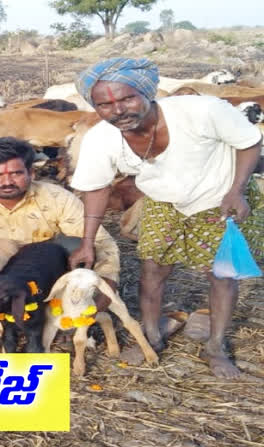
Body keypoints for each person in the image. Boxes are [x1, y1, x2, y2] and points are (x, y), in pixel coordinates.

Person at [68, 58, 263, 378]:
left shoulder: (201, 111)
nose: (118, 110)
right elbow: (96, 188)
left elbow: (249, 142)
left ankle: (215, 346)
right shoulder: (101, 138)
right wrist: (87, 242)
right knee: (152, 269)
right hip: (163, 200)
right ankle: (152, 336)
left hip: (220, 195)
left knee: (221, 275)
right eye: (105, 104)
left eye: (127, 98)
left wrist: (237, 190)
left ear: (147, 92)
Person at [0, 137, 121, 300]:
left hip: (44, 268)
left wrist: (106, 288)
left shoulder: (57, 197)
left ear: (32, 172)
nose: (7, 182)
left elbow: (102, 242)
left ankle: (61, 298)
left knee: (77, 245)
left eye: (16, 173)